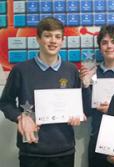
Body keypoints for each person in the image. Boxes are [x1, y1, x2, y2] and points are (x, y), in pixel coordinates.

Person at [0, 17, 86, 167]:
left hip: (64, 149)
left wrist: (78, 114)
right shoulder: (21, 70)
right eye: (47, 36)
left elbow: (80, 104)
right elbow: (5, 103)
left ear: (62, 41)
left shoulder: (71, 70)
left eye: (57, 37)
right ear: (38, 39)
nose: (53, 41)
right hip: (32, 150)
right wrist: (20, 117)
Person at [80, 25, 114, 167]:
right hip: (99, 139)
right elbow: (87, 111)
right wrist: (86, 85)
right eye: (104, 42)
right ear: (100, 47)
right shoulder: (93, 73)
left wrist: (113, 109)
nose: (109, 46)